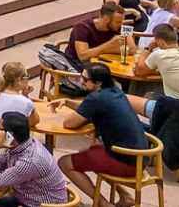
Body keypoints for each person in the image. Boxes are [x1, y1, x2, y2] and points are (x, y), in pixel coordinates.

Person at [56, 64, 149, 202]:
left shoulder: (96, 98)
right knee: (89, 152)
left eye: (85, 79)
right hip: (140, 158)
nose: (81, 81)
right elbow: (89, 109)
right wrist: (68, 102)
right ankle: (125, 196)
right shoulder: (115, 92)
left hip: (125, 163)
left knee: (65, 163)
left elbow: (69, 123)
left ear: (98, 83)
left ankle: (103, 204)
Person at [0, 112, 69, 207]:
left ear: (9, 136)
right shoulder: (22, 145)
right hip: (25, 198)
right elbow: (1, 164)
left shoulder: (29, 160)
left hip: (39, 204)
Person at [129, 24, 179, 120]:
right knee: (155, 93)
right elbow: (177, 52)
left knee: (126, 99)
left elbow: (139, 71)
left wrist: (148, 48)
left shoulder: (159, 55)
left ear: (160, 42)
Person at [63, 3, 127, 65]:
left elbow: (132, 49)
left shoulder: (117, 27)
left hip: (104, 63)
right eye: (118, 22)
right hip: (77, 65)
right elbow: (83, 56)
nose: (121, 24)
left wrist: (99, 51)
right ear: (106, 19)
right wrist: (110, 44)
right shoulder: (82, 27)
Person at [0, 61, 36, 128]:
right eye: (26, 76)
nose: (28, 79)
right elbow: (33, 122)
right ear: (18, 80)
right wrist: (26, 96)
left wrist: (24, 95)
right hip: (7, 137)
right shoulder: (25, 102)